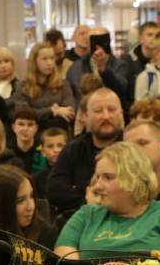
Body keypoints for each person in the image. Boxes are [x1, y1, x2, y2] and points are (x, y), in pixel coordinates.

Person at [45, 86, 127, 215]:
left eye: (111, 109)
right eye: (98, 111)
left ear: (121, 113)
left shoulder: (133, 148)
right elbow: (55, 191)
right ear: (86, 116)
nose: (106, 116)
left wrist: (83, 191)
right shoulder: (73, 150)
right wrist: (86, 199)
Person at [21, 41, 78, 129]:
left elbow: (69, 112)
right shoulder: (23, 86)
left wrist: (39, 114)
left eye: (52, 58)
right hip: (34, 133)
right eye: (44, 59)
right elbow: (24, 114)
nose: (49, 63)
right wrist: (53, 111)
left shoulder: (63, 84)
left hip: (60, 131)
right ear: (34, 61)